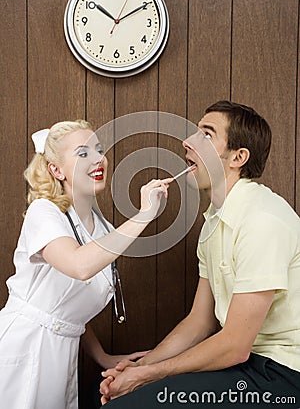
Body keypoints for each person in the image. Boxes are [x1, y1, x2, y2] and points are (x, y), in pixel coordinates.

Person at [100, 101, 300, 408]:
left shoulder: (262, 220)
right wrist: (138, 368)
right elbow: (200, 321)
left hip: (281, 375)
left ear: (238, 157)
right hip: (245, 365)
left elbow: (234, 345)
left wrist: (149, 375)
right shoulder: (214, 221)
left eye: (206, 134)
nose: (187, 141)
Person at [0, 120, 172, 409]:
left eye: (99, 150)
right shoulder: (43, 212)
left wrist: (103, 357)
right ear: (56, 170)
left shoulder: (103, 228)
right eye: (83, 153)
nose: (98, 159)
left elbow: (69, 309)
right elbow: (79, 266)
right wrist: (143, 216)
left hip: (62, 354)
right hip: (25, 346)